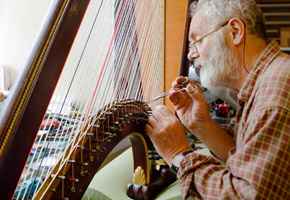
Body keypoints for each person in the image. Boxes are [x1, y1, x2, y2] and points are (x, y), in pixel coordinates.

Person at [145, 0, 290, 199]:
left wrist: (177, 153)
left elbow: (244, 195)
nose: (191, 54)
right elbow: (248, 161)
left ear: (235, 32)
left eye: (198, 40)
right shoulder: (269, 80)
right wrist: (200, 125)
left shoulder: (276, 90)